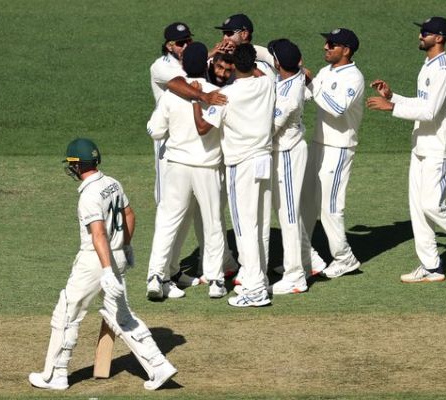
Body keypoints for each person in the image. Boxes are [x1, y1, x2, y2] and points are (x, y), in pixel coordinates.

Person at [28, 138, 177, 391]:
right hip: (115, 256)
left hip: (96, 261)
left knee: (67, 313)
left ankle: (56, 375)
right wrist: (125, 247)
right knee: (123, 317)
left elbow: (98, 234)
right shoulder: (112, 183)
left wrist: (106, 269)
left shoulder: (89, 194)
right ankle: (159, 366)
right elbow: (129, 214)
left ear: (77, 166)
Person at [367, 16, 446, 282]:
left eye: (425, 32)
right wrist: (393, 97)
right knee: (418, 208)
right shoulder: (428, 65)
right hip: (421, 145)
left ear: (439, 37)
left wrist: (392, 108)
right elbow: (422, 101)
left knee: (432, 205)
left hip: (439, 145)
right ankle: (431, 266)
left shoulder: (445, 70)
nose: (420, 36)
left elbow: (431, 112)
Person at [193, 44, 275, 307]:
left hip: (241, 164)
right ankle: (259, 279)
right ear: (253, 64)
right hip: (264, 160)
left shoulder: (227, 95)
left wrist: (198, 98)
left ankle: (254, 288)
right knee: (260, 223)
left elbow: (203, 128)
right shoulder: (267, 83)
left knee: (244, 228)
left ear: (234, 67)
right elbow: (262, 73)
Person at [146, 42, 228, 299]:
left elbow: (155, 130)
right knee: (213, 223)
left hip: (177, 167)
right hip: (208, 168)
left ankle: (156, 277)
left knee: (168, 222)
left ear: (182, 65)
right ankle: (215, 281)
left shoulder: (170, 96)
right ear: (207, 64)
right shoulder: (219, 94)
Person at [301, 28, 365, 279]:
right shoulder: (326, 71)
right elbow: (309, 95)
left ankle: (345, 258)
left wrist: (311, 83)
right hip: (317, 144)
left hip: (338, 148)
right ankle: (301, 257)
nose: (325, 47)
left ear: (346, 50)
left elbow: (336, 108)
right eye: (326, 43)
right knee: (305, 203)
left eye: (331, 44)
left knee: (330, 206)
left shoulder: (354, 77)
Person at [266, 39, 309, 295]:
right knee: (287, 214)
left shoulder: (288, 96)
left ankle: (296, 277)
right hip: (285, 153)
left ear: (278, 63)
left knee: (288, 216)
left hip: (287, 155)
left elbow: (269, 130)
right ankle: (300, 262)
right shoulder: (292, 77)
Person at [211, 13, 276, 81]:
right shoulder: (217, 59)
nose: (224, 38)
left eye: (229, 33)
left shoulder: (264, 68)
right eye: (224, 33)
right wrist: (212, 53)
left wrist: (236, 54)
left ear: (244, 34)